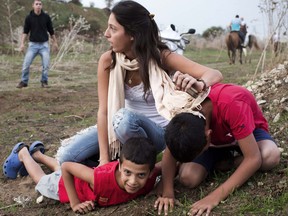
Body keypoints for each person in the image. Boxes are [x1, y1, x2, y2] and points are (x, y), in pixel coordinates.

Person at [56, 0, 223, 167]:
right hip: (119, 128)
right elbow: (104, 112)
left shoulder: (161, 57)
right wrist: (104, 160)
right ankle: (111, 165)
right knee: (66, 156)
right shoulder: (108, 61)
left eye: (113, 29)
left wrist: (200, 83)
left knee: (123, 119)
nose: (106, 34)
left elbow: (214, 74)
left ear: (132, 35)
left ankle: (138, 163)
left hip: (159, 132)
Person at [154, 83, 281, 216]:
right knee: (188, 178)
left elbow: (253, 158)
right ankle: (223, 161)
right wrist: (168, 192)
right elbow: (171, 150)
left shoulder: (231, 104)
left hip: (248, 134)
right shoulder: (182, 109)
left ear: (209, 135)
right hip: (216, 143)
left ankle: (229, 162)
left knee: (269, 156)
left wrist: (213, 197)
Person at [3, 137, 160, 214]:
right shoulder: (101, 179)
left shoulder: (150, 177)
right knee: (42, 180)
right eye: (127, 172)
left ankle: (37, 155)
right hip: (68, 185)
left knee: (58, 171)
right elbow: (67, 168)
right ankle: (23, 153)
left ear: (149, 172)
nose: (133, 181)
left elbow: (165, 166)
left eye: (141, 175)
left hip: (81, 176)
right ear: (119, 166)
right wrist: (75, 203)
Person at [16, 0, 58, 89]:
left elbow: (51, 31)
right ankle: (24, 81)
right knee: (26, 64)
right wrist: (22, 44)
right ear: (33, 6)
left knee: (46, 65)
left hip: (44, 45)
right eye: (37, 4)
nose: (38, 6)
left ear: (41, 6)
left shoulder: (46, 17)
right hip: (32, 45)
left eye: (40, 4)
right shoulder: (29, 17)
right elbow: (25, 32)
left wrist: (55, 42)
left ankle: (44, 81)